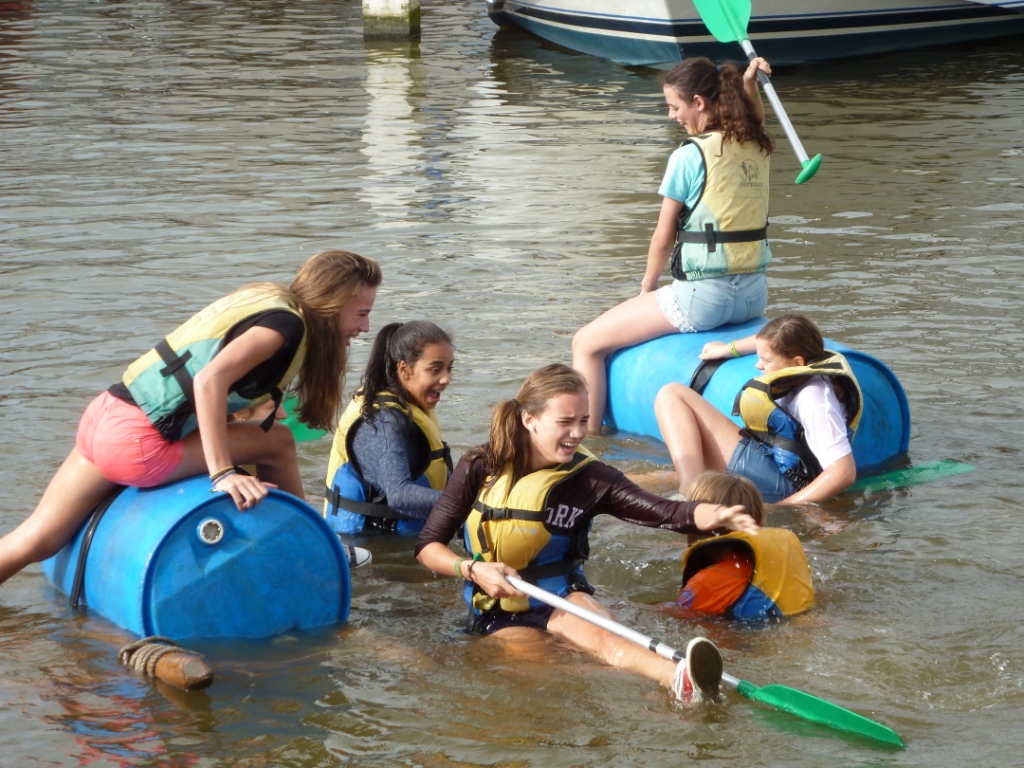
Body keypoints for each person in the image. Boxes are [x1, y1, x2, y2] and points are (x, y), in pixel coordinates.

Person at [0, 249, 382, 585]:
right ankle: (310, 547)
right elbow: (209, 380)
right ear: (333, 302)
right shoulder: (286, 326)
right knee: (278, 440)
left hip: (106, 417)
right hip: (140, 443)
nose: (364, 327)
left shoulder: (270, 301)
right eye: (362, 313)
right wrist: (223, 473)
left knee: (37, 539)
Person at [415, 364, 760, 703]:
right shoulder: (479, 465)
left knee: (609, 641)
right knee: (543, 669)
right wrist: (473, 569)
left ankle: (681, 681)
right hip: (497, 608)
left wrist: (714, 513)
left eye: (583, 421)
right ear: (529, 419)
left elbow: (663, 511)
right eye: (565, 422)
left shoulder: (592, 479)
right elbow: (427, 546)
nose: (578, 433)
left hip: (561, 593)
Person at [572, 55, 775, 433]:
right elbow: (755, 117)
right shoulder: (756, 143)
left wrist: (646, 290)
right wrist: (750, 85)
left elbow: (664, 235)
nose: (672, 116)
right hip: (753, 296)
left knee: (586, 343)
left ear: (699, 102)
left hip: (706, 301)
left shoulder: (688, 155)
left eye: (674, 107)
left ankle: (589, 442)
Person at [653, 315, 861, 504]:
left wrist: (783, 508)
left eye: (767, 360)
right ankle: (684, 483)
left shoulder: (815, 401)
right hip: (773, 461)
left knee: (673, 394)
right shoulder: (800, 366)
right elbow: (766, 341)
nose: (758, 366)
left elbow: (843, 472)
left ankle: (691, 494)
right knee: (657, 478)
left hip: (786, 485)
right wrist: (726, 349)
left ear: (797, 362)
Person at [324, 321, 455, 537]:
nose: (446, 379)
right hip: (372, 547)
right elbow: (399, 496)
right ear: (404, 369)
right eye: (435, 369)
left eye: (449, 368)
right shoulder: (384, 423)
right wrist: (469, 504)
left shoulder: (404, 405)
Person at [661, 472, 813, 621]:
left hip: (742, 641)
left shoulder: (705, 584)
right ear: (758, 519)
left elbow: (680, 617)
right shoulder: (781, 561)